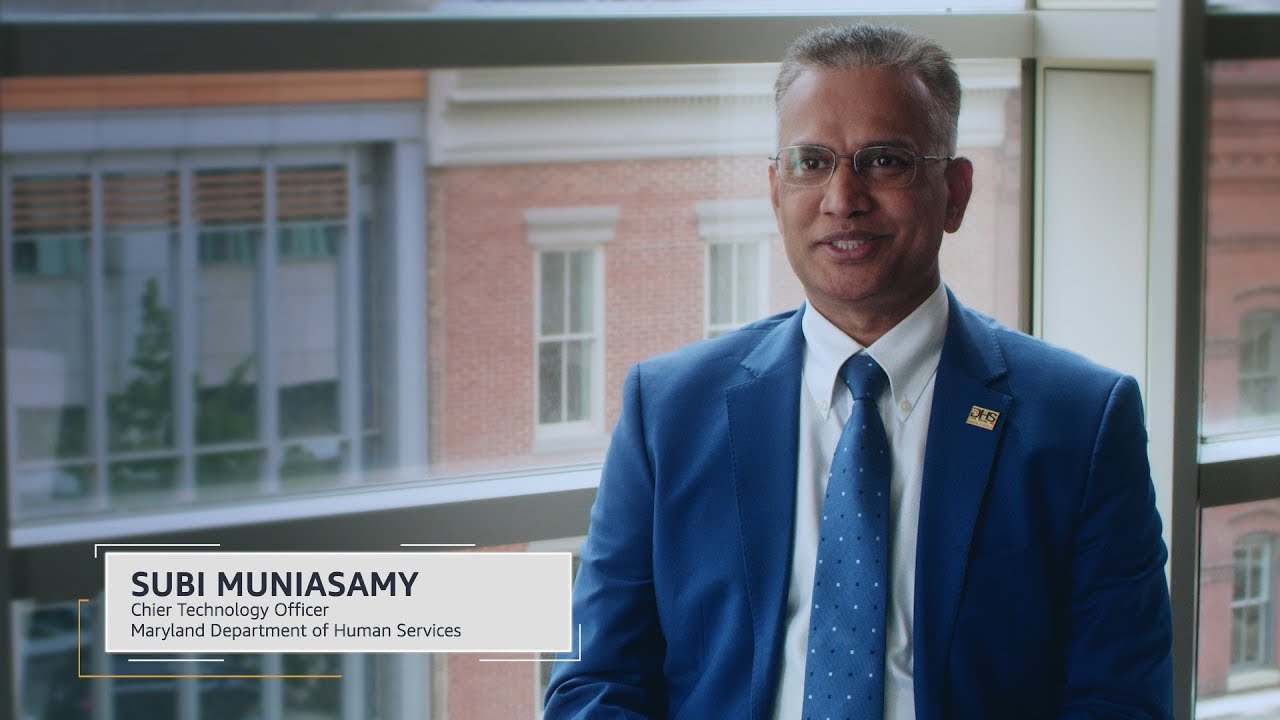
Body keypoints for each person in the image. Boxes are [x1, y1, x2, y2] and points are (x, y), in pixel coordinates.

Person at [543, 22, 1172, 720]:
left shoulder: (1083, 420)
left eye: (885, 160)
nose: (843, 198)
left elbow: (1119, 698)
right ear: (776, 188)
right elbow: (595, 682)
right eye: (811, 162)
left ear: (955, 192)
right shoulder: (668, 410)